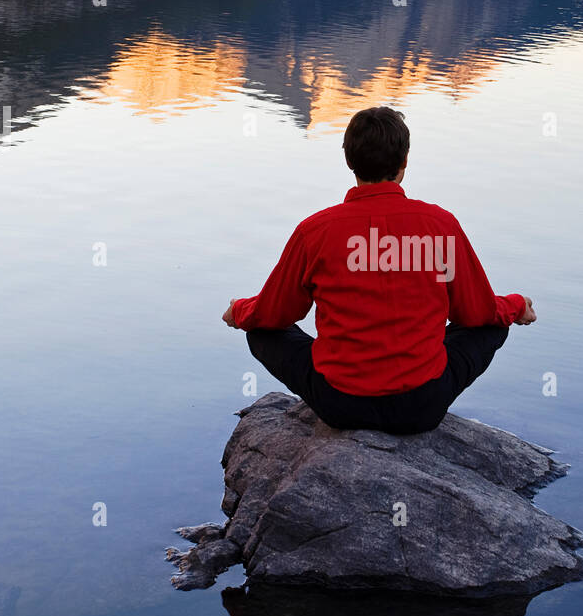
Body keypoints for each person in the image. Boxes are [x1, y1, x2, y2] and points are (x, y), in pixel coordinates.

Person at [222, 105, 535, 435]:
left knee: (260, 330)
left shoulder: (315, 231)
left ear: (349, 161)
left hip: (340, 404)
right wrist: (515, 306)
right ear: (404, 162)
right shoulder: (439, 225)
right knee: (492, 326)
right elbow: (477, 312)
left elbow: (273, 313)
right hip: (421, 406)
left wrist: (238, 312)